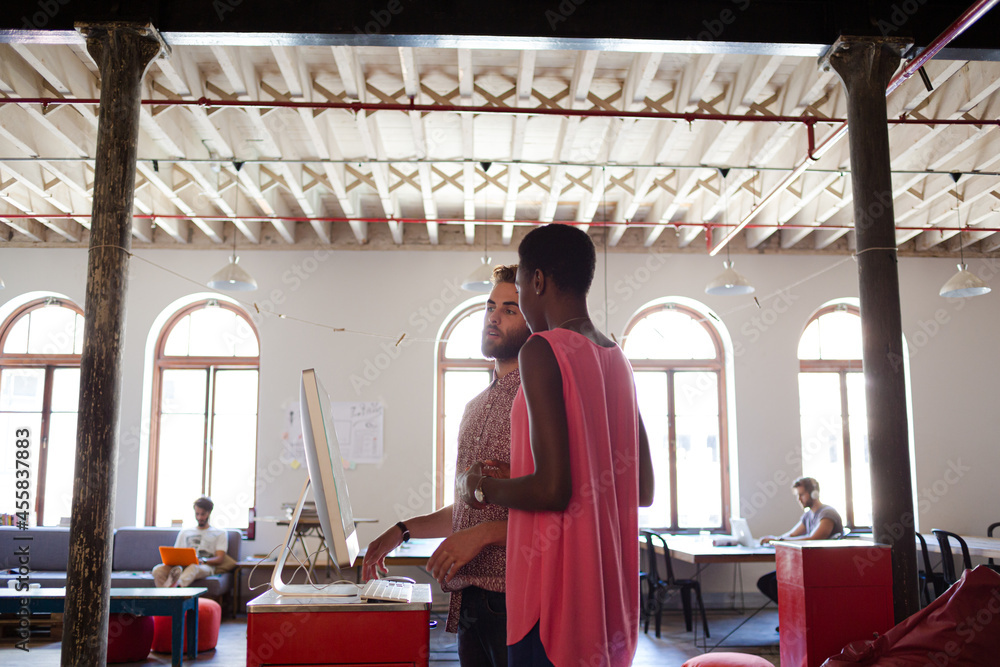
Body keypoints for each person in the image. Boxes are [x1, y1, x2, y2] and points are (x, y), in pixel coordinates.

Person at [459, 223, 654, 667]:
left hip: (553, 602)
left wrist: (480, 486)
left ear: (538, 281)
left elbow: (553, 490)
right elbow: (642, 489)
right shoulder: (617, 357)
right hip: (608, 604)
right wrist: (522, 477)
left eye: (519, 291)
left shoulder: (541, 349)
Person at [362, 264, 529, 667]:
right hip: (468, 597)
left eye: (509, 309)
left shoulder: (536, 399)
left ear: (534, 322)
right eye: (490, 306)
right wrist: (403, 530)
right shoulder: (474, 406)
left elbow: (556, 507)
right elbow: (470, 512)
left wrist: (484, 536)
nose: (494, 317)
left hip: (518, 596)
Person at [756, 476, 844, 605]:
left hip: (822, 567)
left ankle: (796, 612)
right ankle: (791, 613)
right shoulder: (808, 515)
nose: (799, 499)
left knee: (773, 583)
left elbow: (815, 539)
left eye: (802, 495)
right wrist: (775, 539)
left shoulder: (827, 514)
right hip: (808, 565)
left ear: (814, 494)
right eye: (798, 495)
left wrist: (780, 540)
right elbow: (792, 534)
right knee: (764, 582)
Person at [152, 496, 228, 588]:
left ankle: (176, 588)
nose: (199, 517)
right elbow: (176, 553)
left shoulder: (220, 533)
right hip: (181, 566)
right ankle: (165, 594)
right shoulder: (185, 532)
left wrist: (203, 560)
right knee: (158, 570)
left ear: (209, 513)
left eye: (203, 514)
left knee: (193, 567)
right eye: (197, 514)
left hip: (203, 566)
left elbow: (220, 558)